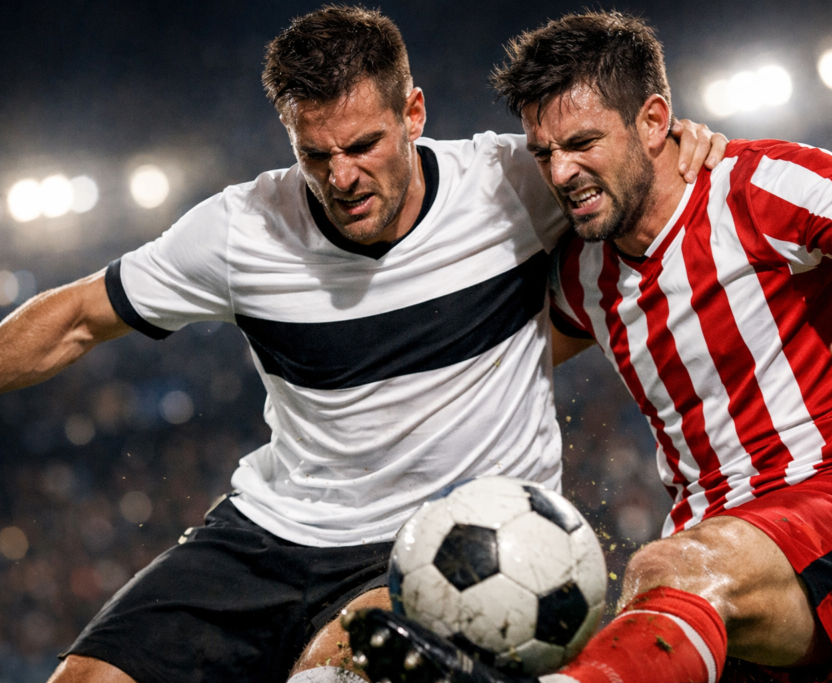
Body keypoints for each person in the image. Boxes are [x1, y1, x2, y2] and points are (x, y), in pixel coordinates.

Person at [0, 7, 726, 683]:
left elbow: (638, 172)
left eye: (362, 145)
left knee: (329, 671)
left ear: (413, 113)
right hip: (270, 531)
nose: (341, 177)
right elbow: (76, 317)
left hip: (436, 544)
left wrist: (683, 145)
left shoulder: (512, 184)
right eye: (315, 155)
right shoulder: (241, 230)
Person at [345, 10, 832, 683]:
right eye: (543, 152)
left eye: (583, 142)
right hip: (717, 578)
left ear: (654, 123)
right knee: (652, 600)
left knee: (666, 565)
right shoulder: (583, 273)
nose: (561, 172)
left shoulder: (753, 187)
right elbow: (489, 363)